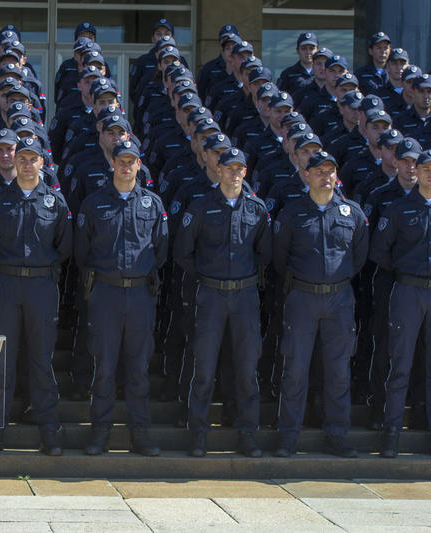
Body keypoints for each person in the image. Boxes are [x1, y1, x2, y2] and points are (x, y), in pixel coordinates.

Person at [0, 136, 71, 456]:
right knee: (2, 359)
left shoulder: (55, 202)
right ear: (14, 162)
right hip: (7, 286)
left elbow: (65, 246)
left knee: (41, 359)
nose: (27, 164)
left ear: (43, 163)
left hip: (42, 286)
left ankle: (49, 428)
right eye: (22, 158)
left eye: (33, 159)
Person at [173, 148, 271, 458]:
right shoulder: (201, 207)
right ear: (218, 169)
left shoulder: (256, 209)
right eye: (229, 167)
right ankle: (198, 433)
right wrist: (207, 275)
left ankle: (247, 434)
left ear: (246, 171)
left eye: (240, 168)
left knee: (246, 369)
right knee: (203, 368)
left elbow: (265, 253)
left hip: (244, 296)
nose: (235, 173)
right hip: (211, 294)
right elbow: (183, 252)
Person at [272, 151, 368, 458]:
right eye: (319, 170)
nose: (325, 175)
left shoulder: (352, 213)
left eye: (330, 170)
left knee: (338, 371)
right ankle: (288, 436)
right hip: (302, 297)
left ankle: (337, 435)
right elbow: (279, 257)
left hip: (339, 298)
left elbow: (359, 256)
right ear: (306, 175)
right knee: (295, 370)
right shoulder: (292, 213)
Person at [75, 139, 168, 456]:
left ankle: (139, 434)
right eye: (121, 160)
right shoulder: (94, 203)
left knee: (139, 369)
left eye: (132, 161)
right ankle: (100, 433)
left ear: (139, 165)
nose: (126, 166)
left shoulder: (153, 204)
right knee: (104, 367)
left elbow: (161, 249)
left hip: (141, 294)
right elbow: (82, 252)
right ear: (111, 163)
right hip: (106, 294)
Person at [370, 148, 431, 457]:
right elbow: (380, 251)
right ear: (415, 172)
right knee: (401, 363)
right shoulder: (398, 208)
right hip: (408, 289)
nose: (429, 172)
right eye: (425, 167)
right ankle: (391, 431)